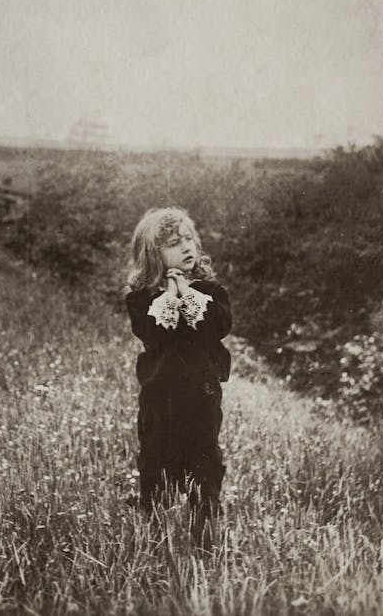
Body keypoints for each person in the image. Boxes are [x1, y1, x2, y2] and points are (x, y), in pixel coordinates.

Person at [125, 206, 232, 545]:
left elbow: (217, 326)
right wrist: (170, 295)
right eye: (174, 242)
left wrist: (187, 293)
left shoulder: (209, 292)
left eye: (189, 239)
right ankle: (155, 533)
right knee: (155, 459)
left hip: (202, 396)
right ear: (153, 254)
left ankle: (205, 536)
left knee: (204, 460)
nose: (187, 247)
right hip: (160, 398)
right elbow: (155, 333)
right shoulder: (143, 300)